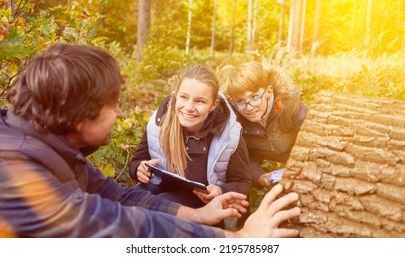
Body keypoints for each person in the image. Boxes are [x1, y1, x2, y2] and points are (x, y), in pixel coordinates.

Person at [0, 43, 300, 238]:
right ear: (79, 116)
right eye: (112, 104)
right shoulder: (13, 170)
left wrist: (198, 214)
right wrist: (238, 240)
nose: (119, 112)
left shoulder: (52, 149)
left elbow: (120, 196)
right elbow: (121, 227)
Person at [129, 65, 251, 210]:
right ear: (176, 96)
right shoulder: (159, 122)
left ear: (213, 105)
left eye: (200, 101)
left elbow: (243, 183)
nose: (188, 107)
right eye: (184, 97)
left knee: (161, 206)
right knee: (130, 199)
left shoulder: (230, 135)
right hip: (160, 188)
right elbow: (137, 161)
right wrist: (138, 169)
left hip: (203, 206)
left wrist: (221, 190)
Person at [223, 62, 308, 189]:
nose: (249, 107)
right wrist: (259, 177)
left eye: (254, 97)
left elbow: (311, 139)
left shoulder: (290, 105)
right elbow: (245, 157)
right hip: (267, 158)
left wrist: (301, 166)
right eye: (240, 101)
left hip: (298, 155)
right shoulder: (237, 121)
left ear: (268, 92)